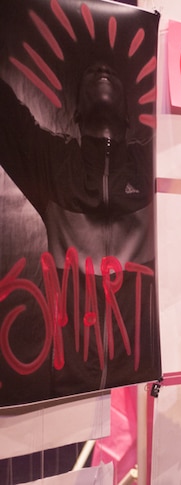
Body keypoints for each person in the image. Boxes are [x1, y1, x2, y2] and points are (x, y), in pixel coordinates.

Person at [0, 61, 159, 397]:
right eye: (91, 69)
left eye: (111, 70)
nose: (102, 66)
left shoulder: (151, 165)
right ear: (75, 113)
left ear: (130, 118)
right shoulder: (54, 163)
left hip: (140, 388)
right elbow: (7, 118)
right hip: (69, 391)